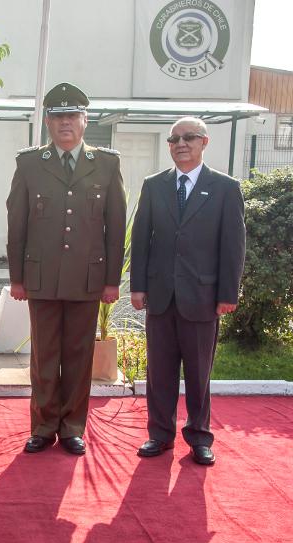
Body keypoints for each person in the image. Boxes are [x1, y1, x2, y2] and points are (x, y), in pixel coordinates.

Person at [7, 82, 126, 456]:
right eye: (58, 117)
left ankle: (73, 426)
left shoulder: (107, 165)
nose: (65, 124)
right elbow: (18, 224)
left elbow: (116, 226)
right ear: (47, 121)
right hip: (40, 278)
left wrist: (112, 281)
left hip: (87, 279)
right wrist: (16, 277)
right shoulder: (28, 163)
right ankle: (43, 426)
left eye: (72, 116)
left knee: (78, 356)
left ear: (85, 121)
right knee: (44, 356)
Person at [131, 117, 245, 466]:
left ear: (204, 142)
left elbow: (233, 245)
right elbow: (141, 239)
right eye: (174, 139)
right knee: (159, 372)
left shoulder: (225, 187)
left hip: (203, 297)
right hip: (161, 296)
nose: (181, 144)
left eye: (189, 137)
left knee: (199, 373)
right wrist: (138, 286)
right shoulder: (154, 185)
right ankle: (159, 434)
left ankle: (199, 437)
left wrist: (228, 293)